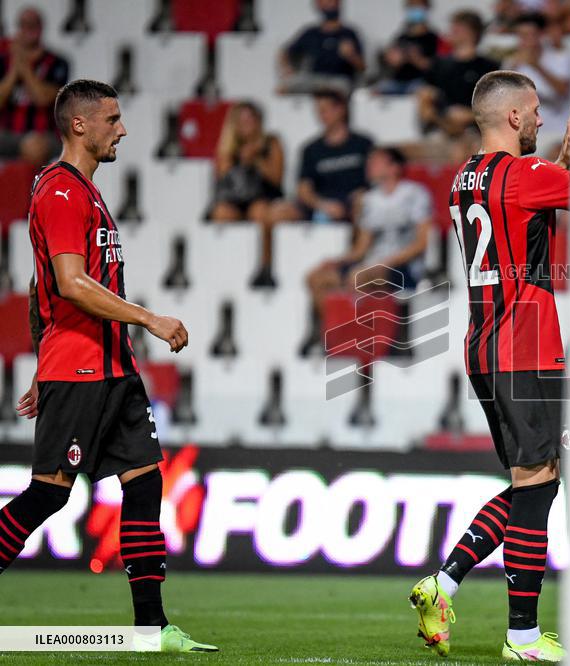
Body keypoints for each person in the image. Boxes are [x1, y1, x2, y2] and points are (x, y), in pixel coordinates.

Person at [407, 70, 570, 662]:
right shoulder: (527, 174)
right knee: (538, 484)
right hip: (525, 346)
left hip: (483, 345)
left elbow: (515, 215)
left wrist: (559, 164)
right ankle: (522, 637)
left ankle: (444, 584)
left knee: (534, 480)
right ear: (512, 117)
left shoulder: (464, 180)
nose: (540, 118)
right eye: (533, 110)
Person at [9, 79, 215, 652]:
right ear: (80, 125)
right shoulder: (60, 191)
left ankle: (151, 628)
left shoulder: (86, 192)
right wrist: (149, 319)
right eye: (112, 119)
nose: (122, 129)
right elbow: (69, 284)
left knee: (145, 483)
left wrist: (39, 361)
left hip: (113, 369)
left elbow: (40, 288)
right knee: (48, 494)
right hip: (80, 370)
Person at [300, 147, 433, 355]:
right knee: (316, 278)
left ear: (394, 167)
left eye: (376, 162)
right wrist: (337, 261)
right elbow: (361, 248)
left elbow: (422, 242)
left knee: (358, 276)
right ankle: (327, 333)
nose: (369, 166)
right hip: (371, 263)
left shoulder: (415, 194)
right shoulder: (369, 200)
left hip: (403, 265)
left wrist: (387, 262)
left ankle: (369, 337)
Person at [261, 91, 373, 286]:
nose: (322, 115)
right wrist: (322, 205)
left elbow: (373, 179)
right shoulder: (311, 149)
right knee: (274, 213)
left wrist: (360, 195)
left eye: (326, 110)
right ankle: (267, 268)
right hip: (320, 203)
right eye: (319, 111)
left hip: (352, 201)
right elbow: (303, 188)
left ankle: (353, 261)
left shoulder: (363, 144)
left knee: (363, 203)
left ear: (341, 109)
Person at [0, 7, 69, 160]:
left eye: (32, 25)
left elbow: (43, 98)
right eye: (23, 25)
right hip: (8, 134)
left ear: (41, 28)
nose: (27, 29)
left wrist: (24, 67)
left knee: (35, 147)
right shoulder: (4, 62)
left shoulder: (57, 63)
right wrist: (14, 70)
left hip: (45, 134)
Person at [417, 10, 499, 137]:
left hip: (475, 130)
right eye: (453, 28)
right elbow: (426, 95)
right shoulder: (438, 64)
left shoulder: (488, 66)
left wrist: (470, 115)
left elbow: (496, 106)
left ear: (472, 33)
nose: (452, 32)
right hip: (442, 128)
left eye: (457, 29)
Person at [209, 101, 284, 223]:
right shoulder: (227, 148)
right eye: (241, 120)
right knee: (222, 213)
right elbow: (221, 177)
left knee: (259, 212)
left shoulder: (271, 142)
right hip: (234, 198)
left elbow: (276, 179)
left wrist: (256, 160)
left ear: (258, 121)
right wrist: (237, 158)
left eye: (250, 119)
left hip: (264, 196)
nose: (246, 124)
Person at [502, 13, 570, 143]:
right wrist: (512, 69)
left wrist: (536, 66)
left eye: (530, 35)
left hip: (557, 130)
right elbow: (504, 96)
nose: (525, 40)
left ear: (541, 35)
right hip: (524, 133)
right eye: (521, 35)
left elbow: (563, 91)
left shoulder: (561, 57)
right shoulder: (512, 62)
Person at [279, 0, 365, 94]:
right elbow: (286, 52)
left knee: (334, 91)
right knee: (284, 88)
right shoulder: (311, 33)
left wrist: (351, 56)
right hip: (314, 79)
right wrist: (287, 69)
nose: (329, 7)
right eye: (324, 4)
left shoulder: (349, 33)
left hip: (339, 80)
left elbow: (363, 67)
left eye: (332, 3)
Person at [378, 0, 442, 94]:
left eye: (418, 6)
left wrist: (416, 59)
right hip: (398, 81)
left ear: (426, 9)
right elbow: (391, 61)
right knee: (375, 92)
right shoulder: (402, 37)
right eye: (412, 6)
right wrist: (393, 59)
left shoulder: (433, 38)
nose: (415, 10)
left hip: (420, 81)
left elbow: (437, 67)